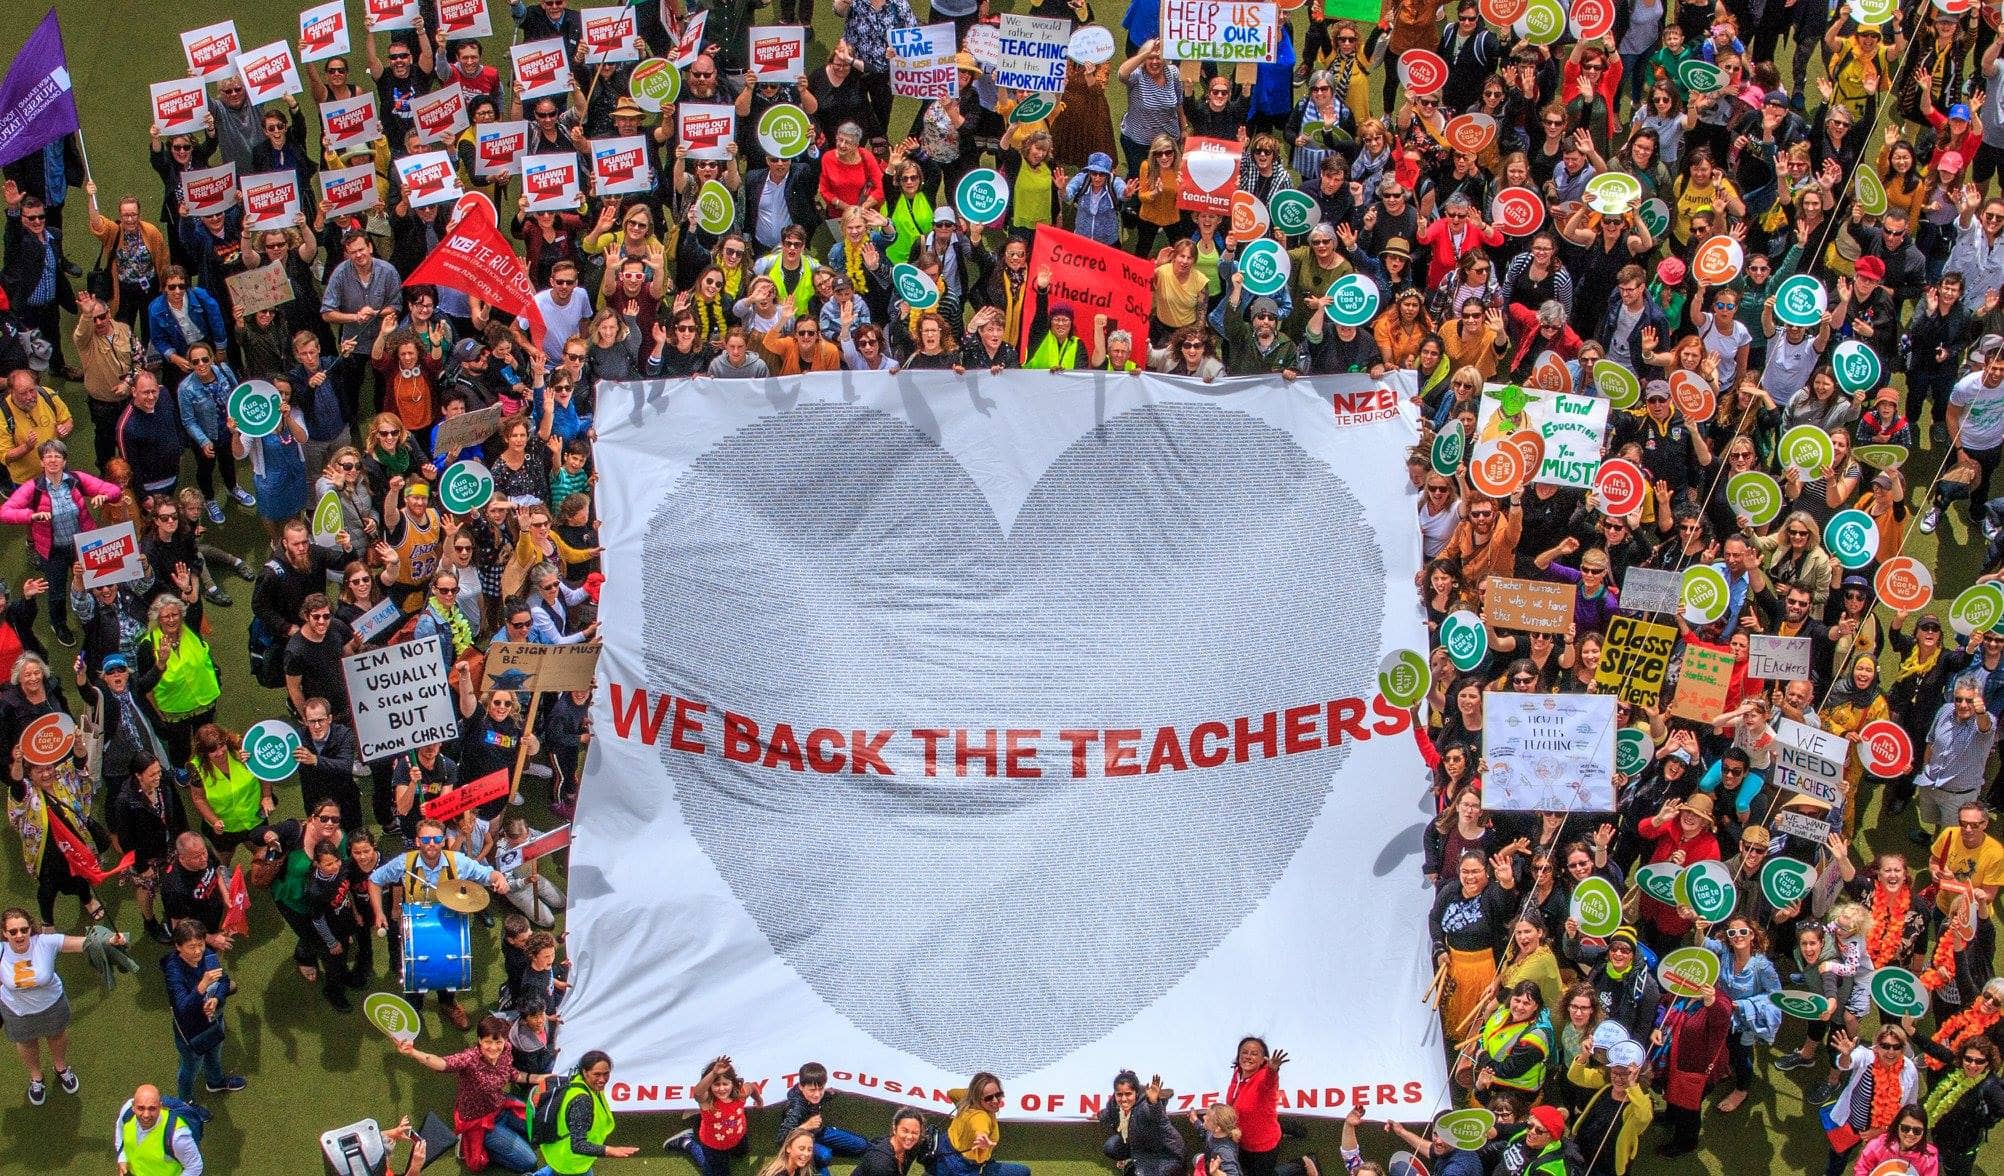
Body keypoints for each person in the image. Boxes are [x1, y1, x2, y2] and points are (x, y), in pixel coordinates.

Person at [366, 817, 508, 1030]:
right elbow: (375, 880)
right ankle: (414, 1009)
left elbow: (488, 874)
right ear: (417, 841)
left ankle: (448, 1003)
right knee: (414, 973)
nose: (431, 843)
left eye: (436, 839)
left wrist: (500, 879)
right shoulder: (404, 862)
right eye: (426, 839)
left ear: (443, 841)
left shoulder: (458, 861)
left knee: (449, 968)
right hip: (415, 928)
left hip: (449, 924)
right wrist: (379, 913)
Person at [0, 906, 122, 1104]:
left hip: (52, 1005)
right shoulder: (1, 950)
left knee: (56, 1036)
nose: (19, 935)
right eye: (13, 931)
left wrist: (111, 940)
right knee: (26, 1043)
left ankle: (61, 1067)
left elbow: (85, 943)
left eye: (24, 929)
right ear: (5, 933)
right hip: (16, 1011)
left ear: (31, 928)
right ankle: (36, 1077)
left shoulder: (45, 943)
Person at [395, 1017, 544, 1172]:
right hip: (479, 1122)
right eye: (488, 1042)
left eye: (498, 1042)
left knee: (539, 1131)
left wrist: (539, 1078)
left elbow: (512, 1074)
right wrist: (413, 1052)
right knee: (529, 1162)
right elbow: (443, 1064)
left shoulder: (506, 1049)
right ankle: (477, 1145)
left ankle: (501, 1136)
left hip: (501, 1106)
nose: (493, 1048)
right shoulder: (469, 1059)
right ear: (479, 1040)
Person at [160, 919, 243, 1103]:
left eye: (200, 944)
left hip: (213, 1017)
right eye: (191, 947)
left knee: (214, 1050)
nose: (198, 951)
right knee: (190, 1068)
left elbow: (223, 981)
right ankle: (186, 1103)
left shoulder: (207, 955)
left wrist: (216, 999)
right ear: (178, 947)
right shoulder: (174, 971)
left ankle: (215, 1082)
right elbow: (182, 1008)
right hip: (191, 1030)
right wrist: (202, 986)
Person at [537, 1049, 641, 1172]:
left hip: (561, 1154)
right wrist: (611, 1150)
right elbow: (578, 1145)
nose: (602, 1079)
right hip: (571, 1162)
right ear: (585, 1072)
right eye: (597, 1074)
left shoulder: (583, 1084)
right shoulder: (582, 1101)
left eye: (606, 1073)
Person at [1093, 1071, 1183, 1176]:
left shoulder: (1146, 1104)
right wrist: (1099, 1115)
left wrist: (1153, 1102)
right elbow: (1108, 1113)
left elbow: (1156, 1114)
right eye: (1119, 1094)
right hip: (1138, 1143)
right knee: (1110, 1147)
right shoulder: (1114, 1104)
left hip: (1164, 1154)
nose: (1123, 1099)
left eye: (1128, 1094)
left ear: (1136, 1092)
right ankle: (1133, 1160)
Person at [115, 1082, 205, 1176]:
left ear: (160, 1107)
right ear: (133, 1106)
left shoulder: (177, 1137)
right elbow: (120, 1129)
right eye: (141, 1108)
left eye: (152, 1109)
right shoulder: (127, 1111)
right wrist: (122, 1158)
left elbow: (195, 1167)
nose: (146, 1115)